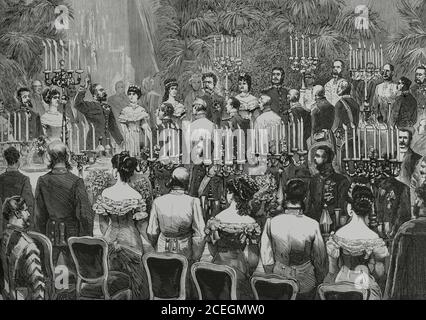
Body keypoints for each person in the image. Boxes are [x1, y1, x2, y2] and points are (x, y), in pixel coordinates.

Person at [93, 152, 150, 299]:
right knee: (136, 282)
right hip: (132, 242)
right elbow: (142, 228)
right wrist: (153, 243)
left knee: (112, 282)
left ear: (115, 171)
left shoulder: (106, 193)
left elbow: (103, 224)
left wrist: (110, 239)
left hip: (110, 241)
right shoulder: (135, 196)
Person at [319, 183, 389, 300]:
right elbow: (380, 272)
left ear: (349, 208)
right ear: (369, 208)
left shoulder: (338, 235)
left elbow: (332, 270)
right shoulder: (373, 237)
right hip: (364, 285)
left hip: (341, 284)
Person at [260, 179, 327, 299]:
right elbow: (320, 260)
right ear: (305, 198)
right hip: (306, 282)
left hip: (279, 280)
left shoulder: (271, 222)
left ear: (285, 196)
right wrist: (319, 280)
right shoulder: (312, 224)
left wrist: (272, 276)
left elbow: (266, 258)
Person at [34, 142, 93, 269]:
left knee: (50, 273)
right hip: (73, 238)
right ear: (67, 157)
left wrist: (40, 240)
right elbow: (85, 215)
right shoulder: (76, 181)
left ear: (49, 157)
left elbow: (39, 216)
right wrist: (86, 241)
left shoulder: (43, 181)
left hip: (50, 237)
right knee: (74, 275)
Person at [205, 176, 261, 300]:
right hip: (239, 267)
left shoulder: (218, 218)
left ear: (230, 193)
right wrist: (249, 273)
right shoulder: (250, 222)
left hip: (218, 266)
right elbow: (253, 258)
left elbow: (212, 247)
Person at [147, 167, 205, 263]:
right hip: (184, 250)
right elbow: (200, 234)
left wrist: (156, 245)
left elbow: (151, 232)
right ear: (187, 183)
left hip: (162, 249)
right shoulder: (193, 202)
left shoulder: (158, 201)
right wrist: (196, 256)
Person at [384, 183, 426, 300]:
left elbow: (397, 271)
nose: (416, 202)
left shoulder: (408, 229)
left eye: (419, 199)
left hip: (410, 292)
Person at [1, 196, 45, 300]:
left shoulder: (2, 240)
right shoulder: (28, 245)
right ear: (17, 213)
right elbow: (37, 286)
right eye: (25, 210)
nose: (28, 214)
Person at [75, 78, 124, 149]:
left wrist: (120, 141)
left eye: (103, 89)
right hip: (94, 141)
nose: (104, 91)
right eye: (101, 90)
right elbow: (77, 104)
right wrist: (85, 87)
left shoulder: (108, 107)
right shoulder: (90, 106)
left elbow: (112, 126)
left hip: (106, 141)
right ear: (94, 95)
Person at [307, 145, 350, 223]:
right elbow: (309, 206)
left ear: (326, 159)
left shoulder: (341, 180)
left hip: (335, 223)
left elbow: (341, 206)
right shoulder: (314, 180)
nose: (314, 159)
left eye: (317, 156)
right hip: (315, 222)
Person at [0, 147, 34, 234]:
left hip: (3, 224)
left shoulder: (1, 178)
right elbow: (29, 204)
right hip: (18, 225)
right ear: (18, 161)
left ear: (5, 161)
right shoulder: (24, 179)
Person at [119, 85, 151, 157]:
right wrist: (126, 134)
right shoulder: (125, 110)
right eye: (129, 94)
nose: (131, 96)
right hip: (128, 134)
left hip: (138, 134)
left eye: (133, 94)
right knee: (130, 152)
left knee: (139, 153)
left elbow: (144, 124)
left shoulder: (141, 110)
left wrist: (148, 133)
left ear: (138, 96)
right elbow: (122, 126)